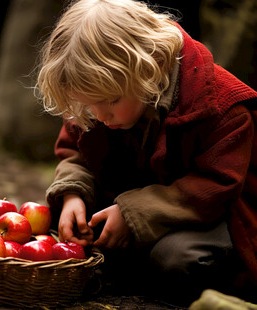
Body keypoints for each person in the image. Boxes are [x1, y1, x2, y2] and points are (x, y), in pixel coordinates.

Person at [37, 0, 257, 303]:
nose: (100, 115)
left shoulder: (223, 107)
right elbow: (75, 152)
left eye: (111, 101)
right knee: (59, 224)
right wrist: (73, 195)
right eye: (88, 104)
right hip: (127, 198)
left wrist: (132, 214)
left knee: (176, 259)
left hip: (210, 217)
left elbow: (216, 187)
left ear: (149, 68)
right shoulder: (99, 97)